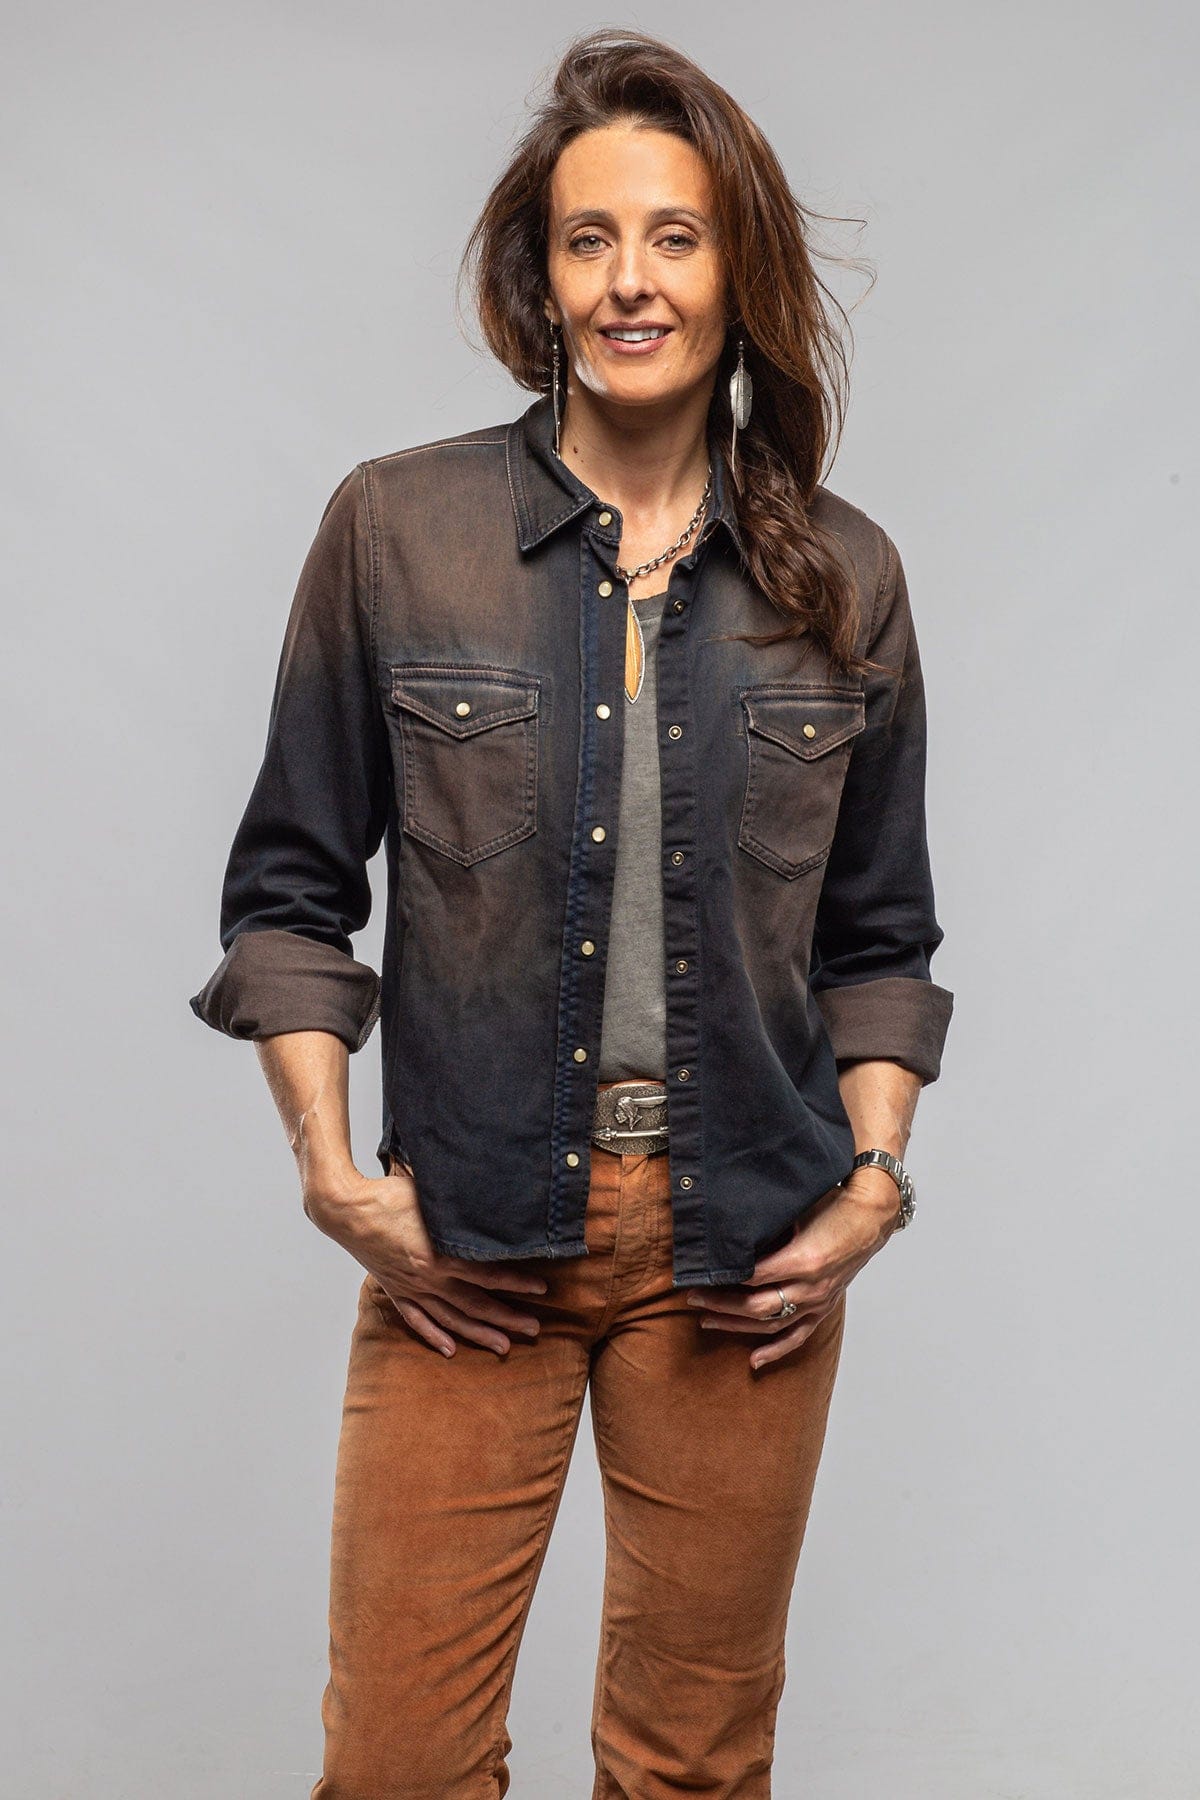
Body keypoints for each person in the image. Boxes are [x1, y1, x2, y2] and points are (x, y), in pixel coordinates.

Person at [189, 26, 954, 1799]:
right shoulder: (399, 530)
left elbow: (881, 939)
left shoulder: (844, 574)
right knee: (397, 1765)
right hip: (471, 1244)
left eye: (675, 236)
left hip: (743, 1255)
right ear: (538, 278)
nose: (630, 282)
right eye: (588, 238)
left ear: (737, 272)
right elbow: (290, 892)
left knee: (694, 1767)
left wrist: (873, 1185)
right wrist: (332, 1174)